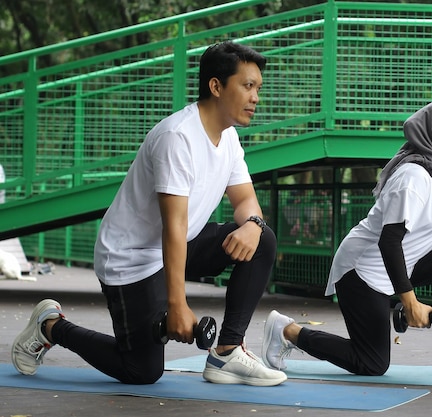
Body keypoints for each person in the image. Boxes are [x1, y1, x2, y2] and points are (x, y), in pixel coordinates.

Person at [12, 41, 287, 387]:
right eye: (248, 86)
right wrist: (178, 305)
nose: (256, 97)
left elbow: (245, 198)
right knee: (141, 371)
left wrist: (252, 223)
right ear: (216, 86)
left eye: (257, 88)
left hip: (176, 243)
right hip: (130, 257)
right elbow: (174, 224)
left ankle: (227, 352)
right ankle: (49, 325)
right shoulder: (178, 137)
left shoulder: (228, 138)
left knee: (262, 239)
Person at [262, 100, 432, 378]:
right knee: (372, 363)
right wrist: (411, 302)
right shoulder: (412, 177)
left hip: (405, 263)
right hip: (363, 271)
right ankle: (288, 331)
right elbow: (388, 243)